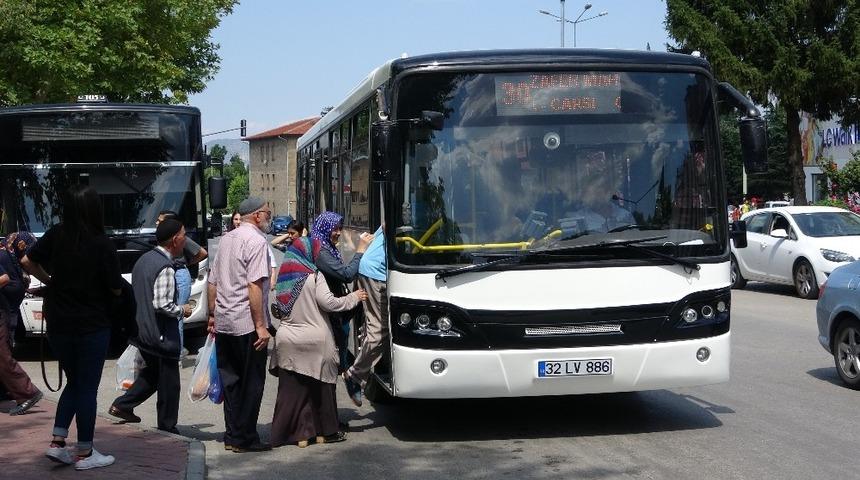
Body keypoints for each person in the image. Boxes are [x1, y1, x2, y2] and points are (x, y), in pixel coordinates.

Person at [22, 185, 123, 470]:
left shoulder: (56, 234)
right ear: (95, 209)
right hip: (92, 324)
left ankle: (57, 442)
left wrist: (52, 280)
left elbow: (27, 260)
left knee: (75, 381)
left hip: (58, 323)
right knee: (87, 387)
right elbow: (116, 288)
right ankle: (86, 452)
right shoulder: (102, 243)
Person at [269, 237, 368, 447]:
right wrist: (355, 298)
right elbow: (329, 303)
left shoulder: (283, 277)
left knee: (293, 392)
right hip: (316, 340)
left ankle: (296, 435)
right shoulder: (314, 276)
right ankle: (325, 432)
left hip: (288, 341)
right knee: (322, 390)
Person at [108, 219, 191, 434]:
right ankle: (167, 427)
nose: (186, 238)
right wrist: (183, 310)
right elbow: (162, 303)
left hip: (143, 331)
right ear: (175, 240)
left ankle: (122, 405)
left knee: (153, 376)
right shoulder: (165, 267)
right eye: (184, 234)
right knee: (170, 385)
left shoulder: (144, 260)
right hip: (160, 335)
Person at [207, 196, 273, 453]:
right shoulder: (256, 241)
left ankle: (232, 434)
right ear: (256, 215)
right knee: (251, 383)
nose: (269, 216)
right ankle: (245, 438)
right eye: (267, 212)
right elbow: (254, 285)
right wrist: (261, 326)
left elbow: (213, 281)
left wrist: (212, 314)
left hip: (225, 321)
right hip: (246, 323)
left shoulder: (227, 239)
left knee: (231, 381)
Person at [310, 212, 373, 410]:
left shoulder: (326, 247)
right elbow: (345, 274)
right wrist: (361, 251)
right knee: (334, 362)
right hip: (330, 312)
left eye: (339, 228)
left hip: (338, 312)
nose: (337, 233)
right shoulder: (321, 252)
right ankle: (348, 378)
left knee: (340, 354)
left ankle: (348, 378)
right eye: (334, 229)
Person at [342, 225, 386, 407]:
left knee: (375, 327)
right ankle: (355, 374)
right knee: (382, 329)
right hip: (375, 274)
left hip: (371, 270)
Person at [0, 231, 43, 415]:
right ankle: (6, 391)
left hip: (4, 313)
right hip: (6, 313)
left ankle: (27, 393)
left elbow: (4, 279)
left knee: (2, 357)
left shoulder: (4, 255)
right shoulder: (7, 256)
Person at [156, 210, 207, 357]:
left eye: (160, 220)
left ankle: (177, 353)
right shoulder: (163, 238)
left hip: (179, 275)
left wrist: (184, 263)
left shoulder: (179, 238)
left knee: (177, 314)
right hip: (171, 274)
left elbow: (202, 253)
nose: (156, 222)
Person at [568, 153, 634, 233]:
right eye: (590, 193)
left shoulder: (625, 215)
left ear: (608, 191)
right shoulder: (577, 219)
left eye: (598, 191)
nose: (594, 196)